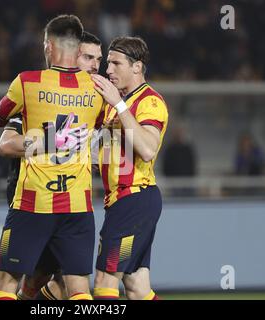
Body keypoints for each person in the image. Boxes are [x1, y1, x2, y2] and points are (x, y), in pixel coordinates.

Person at [0, 15, 105, 301]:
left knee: (6, 283)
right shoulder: (99, 90)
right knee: (78, 289)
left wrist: (46, 138)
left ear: (47, 46)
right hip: (78, 205)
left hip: (33, 202)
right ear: (79, 50)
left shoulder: (27, 82)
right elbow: (105, 129)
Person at [91, 36, 168, 300]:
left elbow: (147, 149)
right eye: (108, 63)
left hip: (133, 198)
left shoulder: (149, 101)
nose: (108, 69)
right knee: (137, 286)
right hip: (123, 201)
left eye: (115, 63)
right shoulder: (116, 104)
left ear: (137, 66)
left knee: (104, 280)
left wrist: (119, 105)